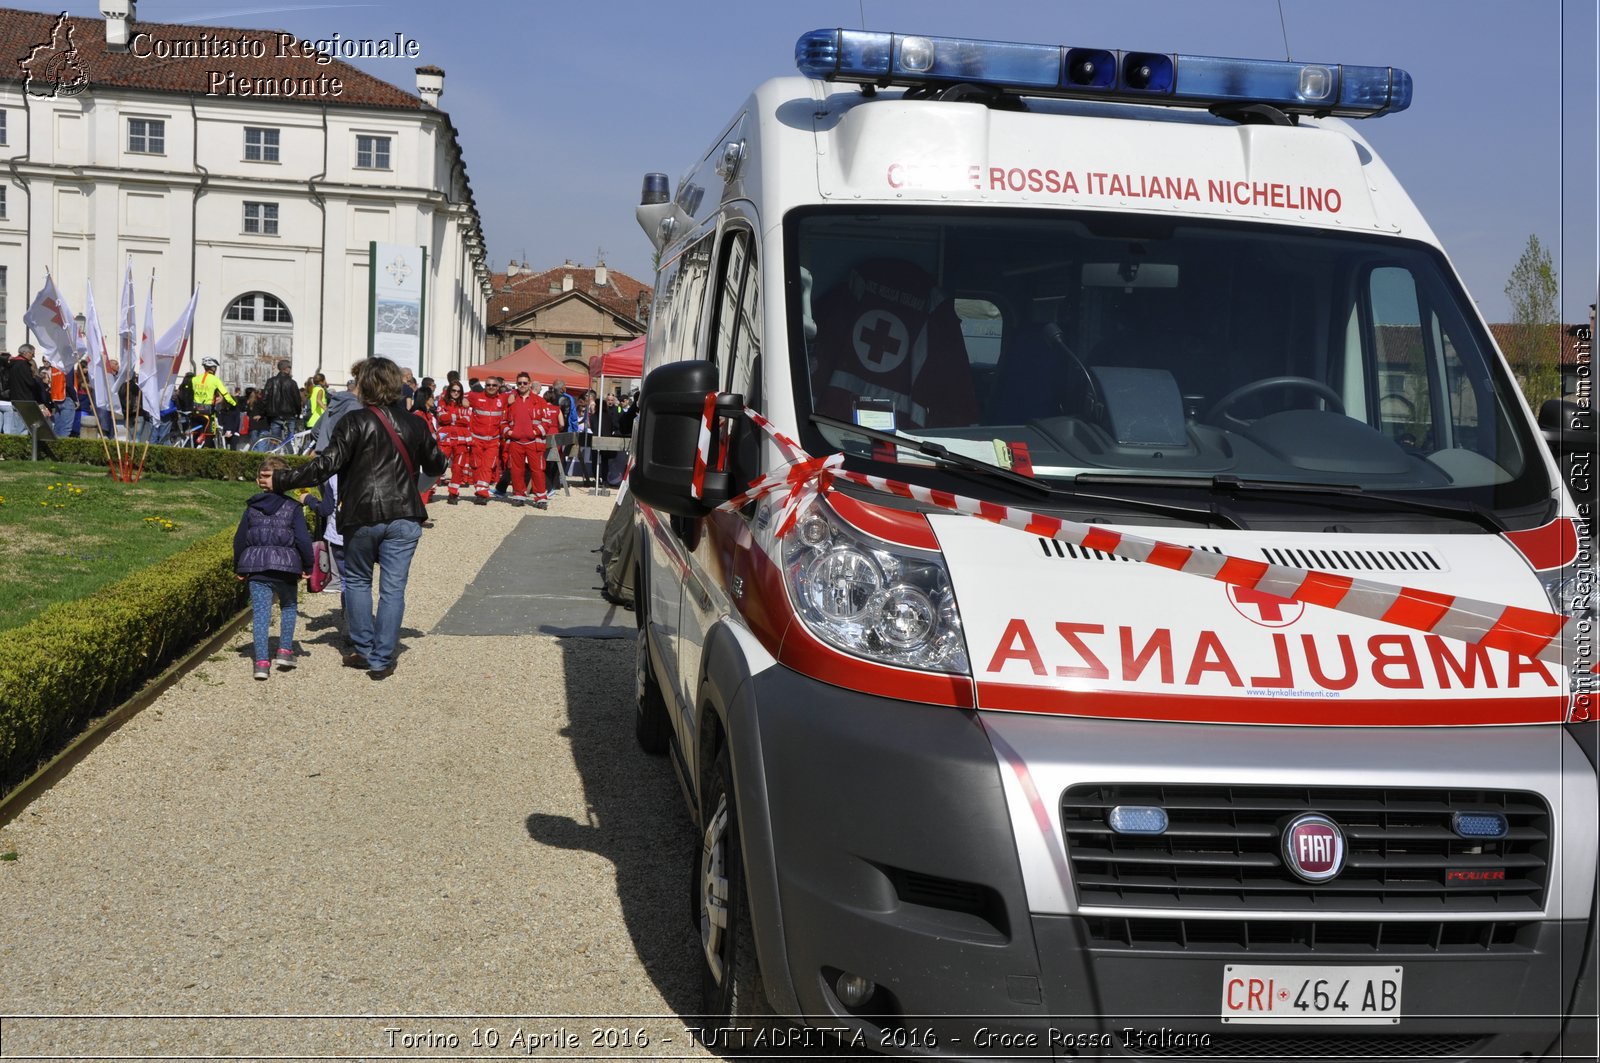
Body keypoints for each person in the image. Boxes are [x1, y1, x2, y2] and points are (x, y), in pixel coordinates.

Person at [259, 357, 446, 680]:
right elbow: (436, 465)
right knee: (393, 588)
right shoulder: (416, 423)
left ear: (367, 387)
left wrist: (281, 480)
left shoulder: (354, 421)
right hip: (404, 514)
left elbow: (324, 465)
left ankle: (364, 648)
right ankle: (382, 658)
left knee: (358, 581)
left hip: (361, 514)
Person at [235, 456, 314, 681]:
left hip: (257, 569)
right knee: (288, 606)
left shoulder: (251, 508)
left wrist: (239, 566)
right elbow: (303, 540)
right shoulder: (293, 508)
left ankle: (261, 663)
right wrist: (308, 565)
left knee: (261, 614)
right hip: (287, 569)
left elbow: (240, 539)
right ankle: (285, 651)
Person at [504, 373, 551, 508]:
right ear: (516, 384)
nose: (522, 385)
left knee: (537, 470)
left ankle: (541, 497)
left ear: (530, 384)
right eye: (519, 383)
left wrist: (535, 432)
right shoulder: (511, 401)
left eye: (525, 383)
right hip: (516, 442)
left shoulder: (540, 401)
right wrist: (510, 432)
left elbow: (547, 421)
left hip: (534, 442)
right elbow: (503, 421)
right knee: (516, 470)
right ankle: (519, 495)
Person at [465, 375, 510, 505]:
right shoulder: (475, 396)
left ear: (498, 387)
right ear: (485, 386)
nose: (491, 387)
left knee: (488, 467)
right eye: (488, 385)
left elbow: (518, 395)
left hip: (493, 441)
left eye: (494, 385)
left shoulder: (503, 398)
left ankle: (482, 494)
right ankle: (479, 489)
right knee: (476, 466)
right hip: (477, 440)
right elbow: (458, 396)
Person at [433, 380, 472, 504]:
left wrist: (451, 417)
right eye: (453, 390)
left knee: (458, 467)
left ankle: (453, 494)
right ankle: (428, 491)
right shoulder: (442, 401)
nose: (456, 393)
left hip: (460, 439)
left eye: (458, 391)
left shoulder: (465, 404)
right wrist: (456, 418)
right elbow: (441, 418)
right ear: (449, 391)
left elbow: (467, 420)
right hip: (445, 438)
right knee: (439, 465)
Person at [2, 345, 48, 434]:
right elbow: (30, 383)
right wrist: (36, 381)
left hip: (15, 399)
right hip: (25, 400)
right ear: (26, 353)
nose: (33, 356)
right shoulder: (23, 364)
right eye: (32, 353)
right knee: (23, 428)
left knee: (15, 426)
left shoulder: (13, 363)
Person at [261, 358, 301, 440]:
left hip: (275, 415)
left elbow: (264, 398)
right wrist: (298, 413)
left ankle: (273, 452)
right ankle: (288, 452)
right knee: (289, 441)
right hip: (289, 415)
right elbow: (297, 400)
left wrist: (264, 413)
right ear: (287, 369)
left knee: (275, 440)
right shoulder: (292, 383)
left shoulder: (271, 381)